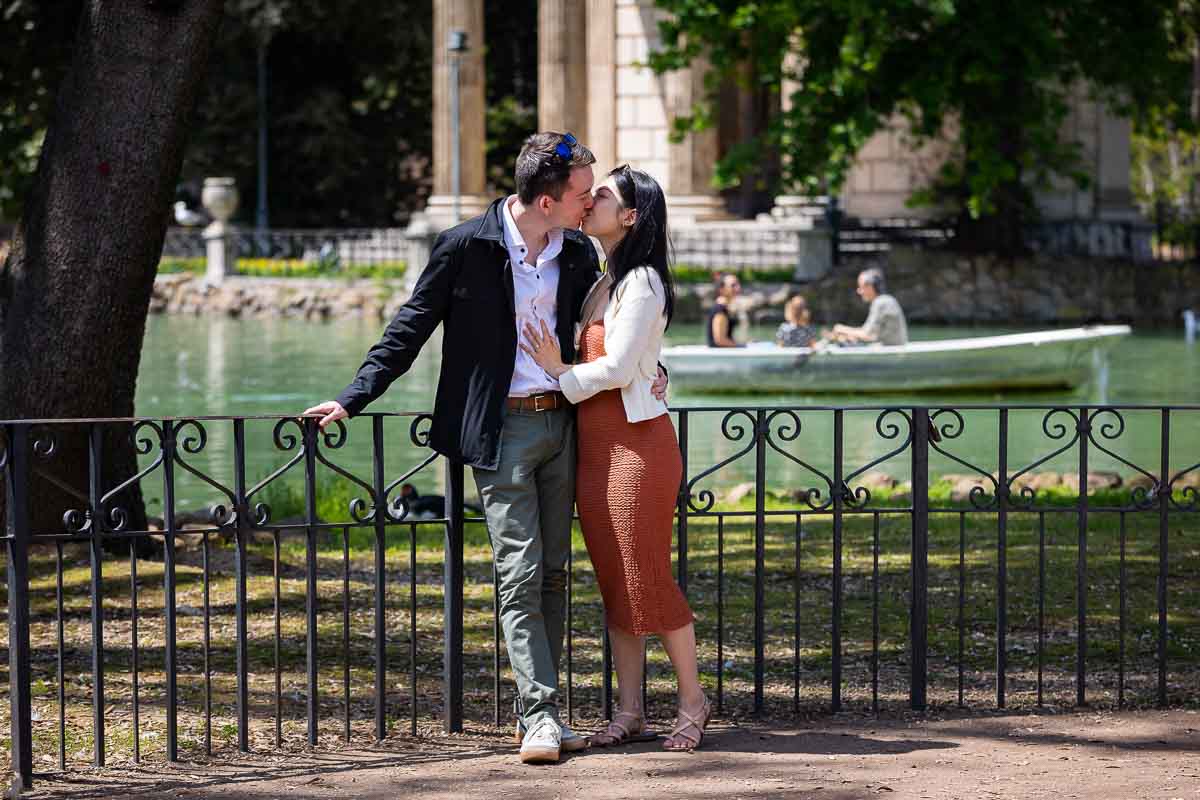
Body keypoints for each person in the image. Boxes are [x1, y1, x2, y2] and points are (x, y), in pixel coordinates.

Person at [302, 132, 667, 765]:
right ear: (545, 200)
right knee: (519, 571)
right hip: (499, 432)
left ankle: (548, 709)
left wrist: (656, 373)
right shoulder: (465, 247)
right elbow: (408, 329)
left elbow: (621, 335)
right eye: (583, 193)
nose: (590, 202)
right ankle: (539, 718)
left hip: (565, 425)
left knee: (554, 571)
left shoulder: (578, 252)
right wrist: (352, 398)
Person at [522, 165, 711, 753]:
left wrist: (557, 372)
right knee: (615, 583)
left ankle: (693, 702)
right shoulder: (606, 279)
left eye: (602, 195)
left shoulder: (644, 281)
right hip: (596, 449)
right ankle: (630, 711)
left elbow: (621, 368)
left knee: (647, 576)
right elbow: (641, 363)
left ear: (630, 216)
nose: (591, 198)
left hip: (637, 451)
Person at [827, 267, 908, 346]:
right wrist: (848, 336)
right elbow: (871, 335)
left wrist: (840, 329)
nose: (859, 291)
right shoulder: (886, 300)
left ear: (869, 287)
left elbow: (866, 334)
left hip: (894, 351)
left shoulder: (881, 303)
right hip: (893, 348)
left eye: (860, 287)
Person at [706, 272, 741, 347]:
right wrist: (740, 346)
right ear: (722, 289)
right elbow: (720, 340)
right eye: (733, 285)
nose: (738, 288)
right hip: (719, 356)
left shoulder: (723, 308)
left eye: (738, 284)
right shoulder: (720, 310)